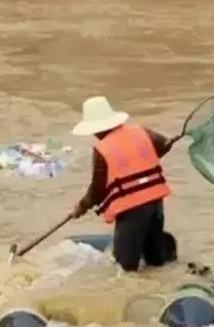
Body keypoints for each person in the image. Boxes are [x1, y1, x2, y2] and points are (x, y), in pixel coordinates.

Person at [70, 96, 178, 272]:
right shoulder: (141, 131)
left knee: (125, 265)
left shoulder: (102, 149)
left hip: (131, 210)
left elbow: (97, 189)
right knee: (154, 258)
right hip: (155, 204)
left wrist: (81, 206)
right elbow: (164, 145)